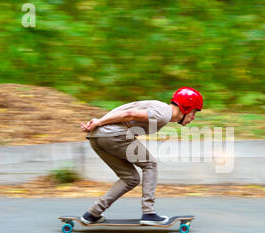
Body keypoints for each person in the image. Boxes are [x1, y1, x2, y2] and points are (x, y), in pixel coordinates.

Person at [79, 87, 203, 225]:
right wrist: (99, 122)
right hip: (114, 135)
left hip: (98, 136)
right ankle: (148, 213)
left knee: (130, 178)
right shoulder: (163, 114)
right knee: (150, 164)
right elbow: (130, 113)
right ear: (186, 108)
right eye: (194, 112)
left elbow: (126, 112)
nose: (193, 117)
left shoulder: (161, 110)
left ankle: (93, 213)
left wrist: (98, 123)